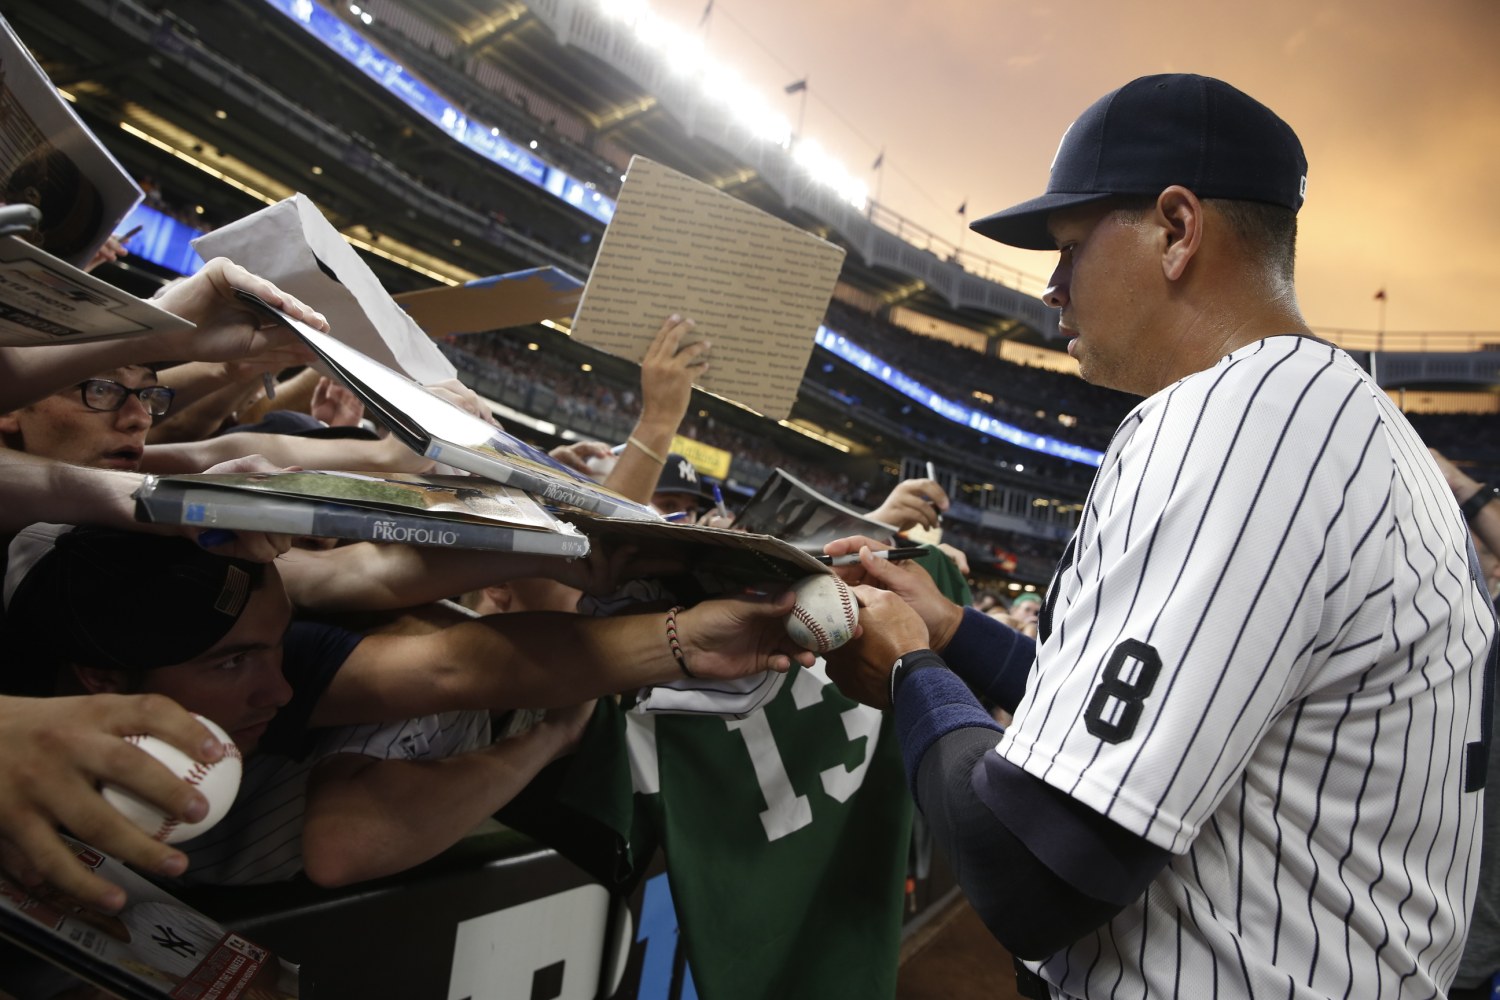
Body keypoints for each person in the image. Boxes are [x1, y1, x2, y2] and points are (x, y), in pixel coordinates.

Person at [823, 74, 1495, 999]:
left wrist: (910, 675)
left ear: (1178, 230)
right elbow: (1178, 710)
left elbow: (1033, 869)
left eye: (1067, 248)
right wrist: (949, 631)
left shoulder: (1239, 423)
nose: (1052, 288)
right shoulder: (1361, 430)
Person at [1, 525, 812, 891]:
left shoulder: (276, 662)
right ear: (98, 678)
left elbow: (450, 659)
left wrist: (677, 635)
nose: (279, 690)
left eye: (275, 647)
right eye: (234, 663)